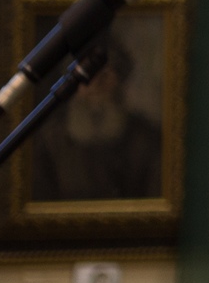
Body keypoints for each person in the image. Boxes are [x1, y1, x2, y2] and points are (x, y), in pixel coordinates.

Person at [29, 31, 164, 204]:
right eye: (87, 76)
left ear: (120, 79)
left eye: (105, 74)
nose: (95, 84)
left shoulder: (146, 138)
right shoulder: (50, 140)